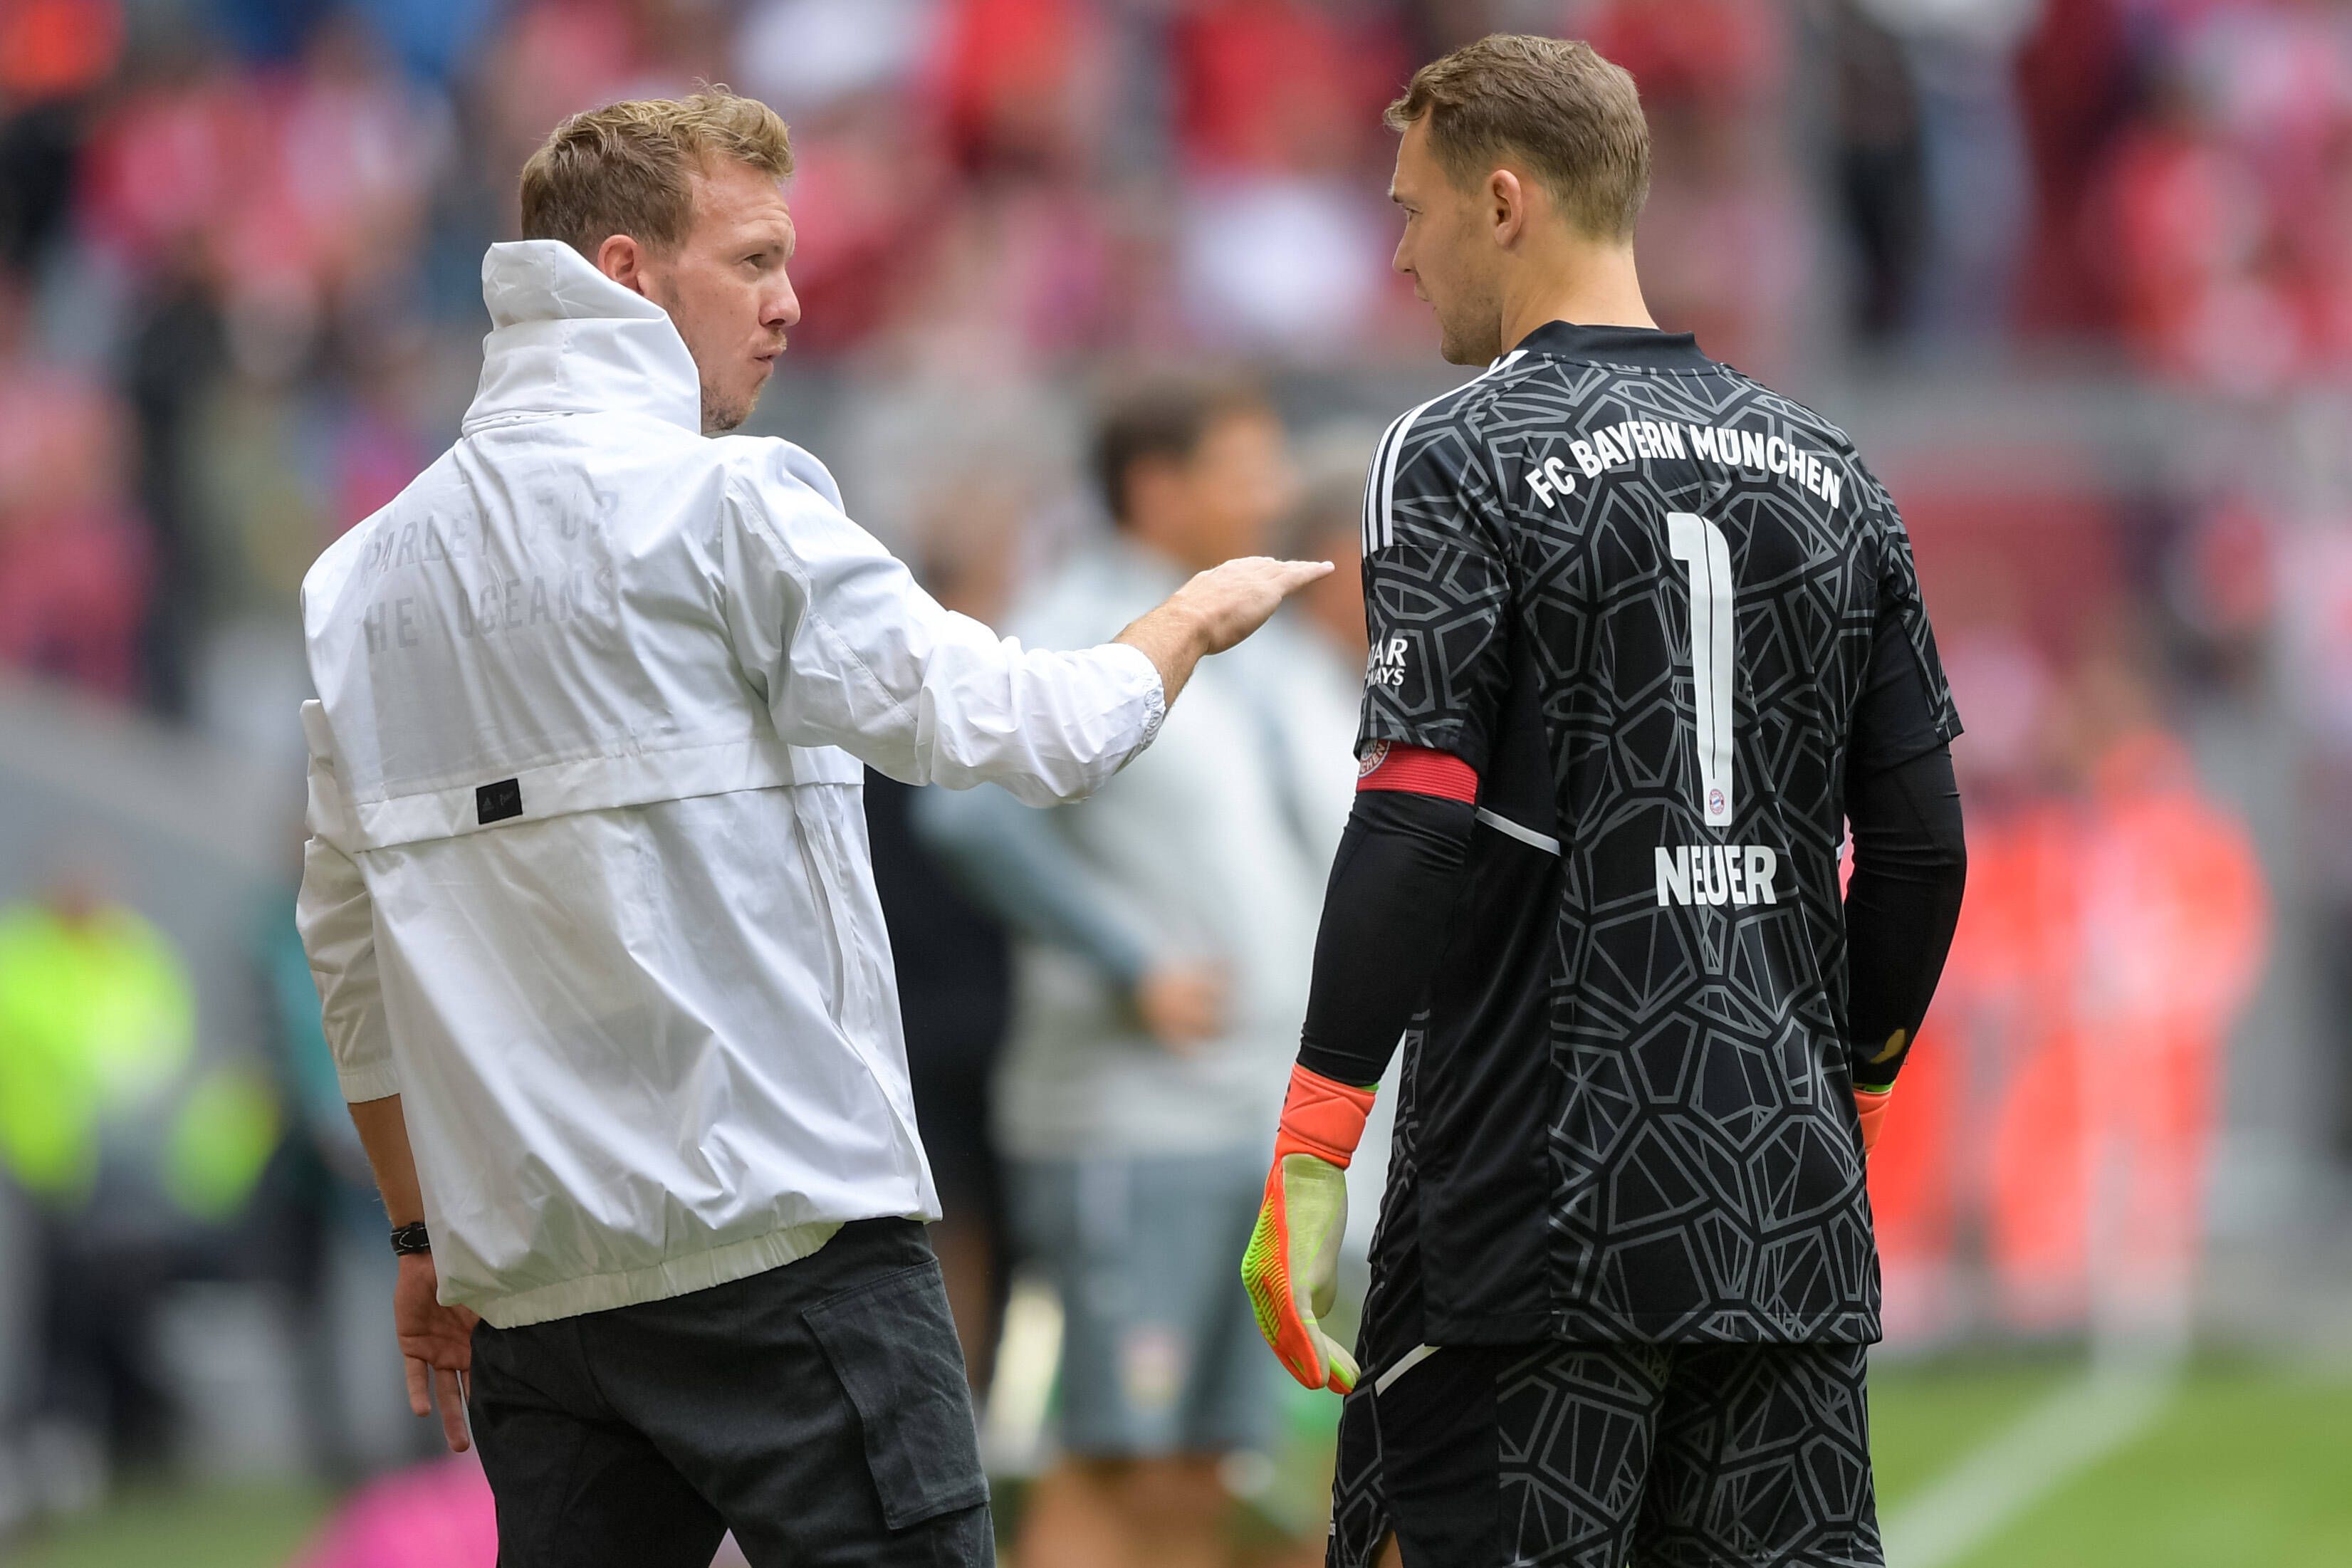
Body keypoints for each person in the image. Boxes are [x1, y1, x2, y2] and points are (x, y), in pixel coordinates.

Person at [293, 90, 1329, 1568]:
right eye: (755, 259)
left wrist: (418, 1237)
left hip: (536, 1295)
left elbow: (345, 949)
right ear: (625, 274)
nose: (790, 304)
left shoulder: (358, 583)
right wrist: (1183, 622)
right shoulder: (734, 503)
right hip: (790, 1259)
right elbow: (1027, 731)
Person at [1238, 36, 1969, 1568]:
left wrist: (1315, 1136)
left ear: (1502, 203)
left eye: (1413, 208)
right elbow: (1915, 849)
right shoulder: (1829, 466)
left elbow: (1421, 808)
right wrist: (1847, 1092)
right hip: (1778, 1207)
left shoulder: (1456, 452)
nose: (1398, 247)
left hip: (1533, 1208)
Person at [916, 380, 1331, 1568]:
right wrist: (1133, 960)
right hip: (1127, 1123)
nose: (1272, 492)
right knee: (1113, 1461)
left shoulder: (1262, 645)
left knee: (1202, 1475)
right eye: (1246, 465)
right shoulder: (1081, 622)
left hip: (1249, 1116)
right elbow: (970, 817)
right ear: (1157, 485)